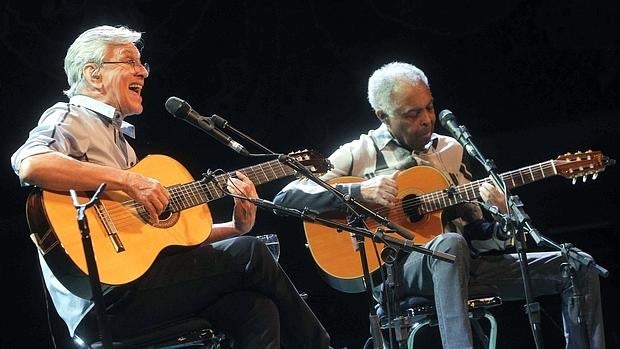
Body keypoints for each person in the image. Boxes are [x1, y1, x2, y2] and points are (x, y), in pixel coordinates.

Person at [10, 25, 330, 349]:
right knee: (253, 253)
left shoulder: (123, 145)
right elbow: (32, 163)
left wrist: (235, 226)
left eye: (142, 64)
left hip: (138, 285)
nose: (142, 72)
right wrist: (128, 179)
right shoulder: (70, 116)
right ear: (93, 74)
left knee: (254, 309)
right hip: (102, 300)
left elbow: (164, 239)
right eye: (129, 62)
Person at [273, 61, 605, 348]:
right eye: (412, 113)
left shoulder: (449, 150)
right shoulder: (360, 152)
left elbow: (479, 239)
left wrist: (498, 217)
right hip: (400, 275)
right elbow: (287, 198)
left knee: (576, 265)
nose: (427, 119)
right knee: (448, 244)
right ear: (383, 116)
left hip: (462, 265)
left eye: (429, 107)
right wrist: (361, 191)